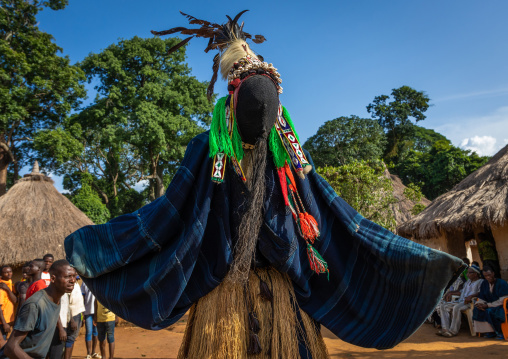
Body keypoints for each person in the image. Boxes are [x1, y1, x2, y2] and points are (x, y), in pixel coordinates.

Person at [65, 10, 465, 357]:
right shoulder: (211, 151)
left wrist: (414, 260)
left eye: (267, 107)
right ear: (233, 106)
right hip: (235, 297)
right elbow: (167, 216)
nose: (261, 117)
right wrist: (96, 247)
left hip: (264, 299)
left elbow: (338, 219)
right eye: (254, 107)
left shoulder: (287, 156)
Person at [0, 260, 76, 359]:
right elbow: (10, 347)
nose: (73, 280)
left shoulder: (57, 299)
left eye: (74, 276)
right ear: (53, 278)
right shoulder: (35, 304)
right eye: (67, 277)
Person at [47, 267, 85, 359]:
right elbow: (62, 307)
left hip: (77, 314)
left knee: (70, 340)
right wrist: (71, 320)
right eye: (69, 276)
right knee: (68, 340)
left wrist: (81, 316)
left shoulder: (75, 285)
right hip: (67, 318)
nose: (72, 278)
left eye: (74, 275)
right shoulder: (64, 288)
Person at [437, 264, 483, 337]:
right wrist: (451, 292)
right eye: (467, 272)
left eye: (469, 273)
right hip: (461, 301)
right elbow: (461, 291)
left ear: (476, 274)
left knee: (456, 308)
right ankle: (445, 329)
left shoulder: (481, 282)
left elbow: (481, 292)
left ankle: (453, 331)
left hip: (470, 303)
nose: (467, 274)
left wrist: (471, 296)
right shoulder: (468, 282)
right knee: (443, 306)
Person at [473, 266, 508, 338]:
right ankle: (488, 332)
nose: (488, 277)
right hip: (488, 305)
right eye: (485, 276)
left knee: (490, 311)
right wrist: (480, 304)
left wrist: (488, 305)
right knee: (477, 310)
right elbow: (481, 297)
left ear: (493, 273)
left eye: (489, 275)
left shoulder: (501, 283)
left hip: (500, 305)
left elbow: (503, 299)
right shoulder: (484, 283)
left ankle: (498, 332)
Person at [81, 282, 100, 359]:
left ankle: (93, 352)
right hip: (88, 311)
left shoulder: (98, 282)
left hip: (97, 312)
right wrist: (82, 312)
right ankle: (88, 353)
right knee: (89, 332)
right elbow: (82, 297)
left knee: (95, 332)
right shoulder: (84, 283)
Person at [0, 266, 17, 346]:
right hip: (2, 322)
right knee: (2, 344)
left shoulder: (9, 283)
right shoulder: (1, 287)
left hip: (9, 320)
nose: (9, 274)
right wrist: (4, 323)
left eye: (10, 271)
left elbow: (15, 300)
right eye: (6, 272)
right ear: (1, 274)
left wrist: (7, 289)